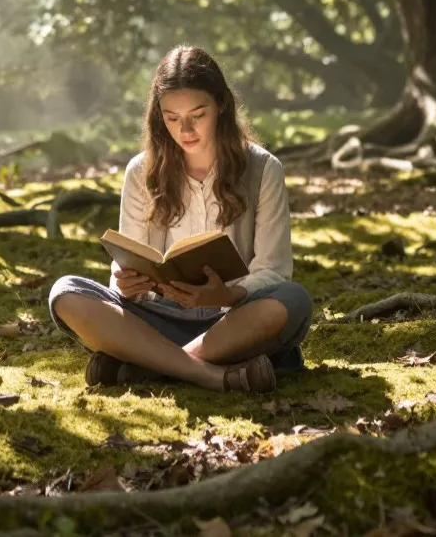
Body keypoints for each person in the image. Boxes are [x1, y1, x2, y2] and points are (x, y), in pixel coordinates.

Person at [48, 45, 312, 393]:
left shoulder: (263, 169)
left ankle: (151, 366)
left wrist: (226, 294)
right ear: (159, 116)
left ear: (221, 105)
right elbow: (133, 260)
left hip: (232, 320)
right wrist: (125, 285)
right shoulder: (141, 171)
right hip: (159, 320)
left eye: (197, 114)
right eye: (172, 118)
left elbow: (274, 270)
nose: (185, 129)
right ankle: (205, 373)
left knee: (293, 300)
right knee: (64, 293)